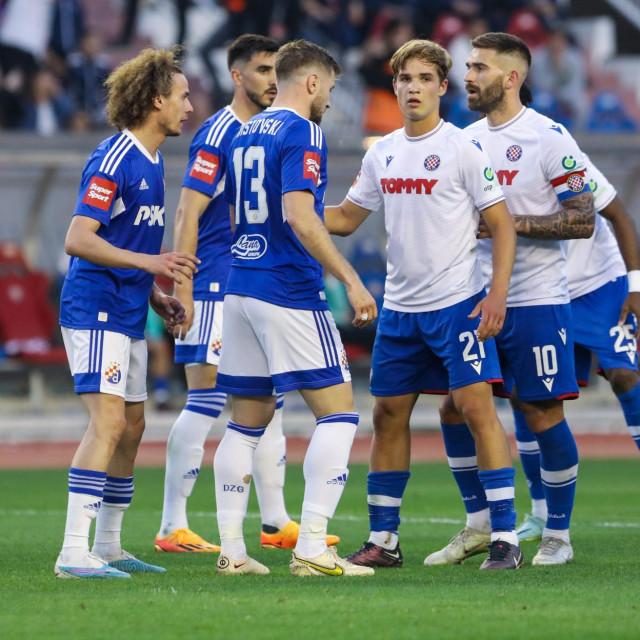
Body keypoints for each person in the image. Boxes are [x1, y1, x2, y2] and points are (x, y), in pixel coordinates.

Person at [325, 39, 522, 571]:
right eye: (403, 79)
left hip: (458, 304)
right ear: (394, 86)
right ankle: (384, 540)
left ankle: (504, 535)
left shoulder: (463, 148)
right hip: (400, 312)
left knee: (476, 409)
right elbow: (344, 218)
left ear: (441, 85)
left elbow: (502, 226)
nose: (412, 88)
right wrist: (289, 211)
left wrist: (496, 295)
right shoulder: (382, 151)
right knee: (388, 413)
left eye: (422, 78)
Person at [155, 34, 339, 554]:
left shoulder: (265, 129)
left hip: (250, 283)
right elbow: (188, 211)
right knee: (210, 399)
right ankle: (172, 523)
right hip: (216, 283)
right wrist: (184, 288)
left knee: (265, 403)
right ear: (238, 76)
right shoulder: (218, 132)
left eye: (274, 70)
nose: (269, 80)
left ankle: (276, 520)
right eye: (261, 71)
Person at [426, 32, 595, 568]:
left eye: (479, 67)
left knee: (540, 413)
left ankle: (558, 534)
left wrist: (505, 223)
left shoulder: (549, 137)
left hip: (535, 299)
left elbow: (583, 218)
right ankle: (479, 524)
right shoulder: (462, 139)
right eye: (468, 65)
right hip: (470, 299)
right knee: (454, 407)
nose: (467, 75)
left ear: (512, 77)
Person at [213, 39, 377, 577]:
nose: (329, 98)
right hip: (286, 288)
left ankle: (232, 552)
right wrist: (350, 279)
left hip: (238, 285)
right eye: (329, 87)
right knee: (339, 412)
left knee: (245, 422)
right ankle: (311, 547)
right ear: (310, 82)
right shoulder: (303, 130)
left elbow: (260, 209)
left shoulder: (242, 131)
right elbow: (300, 216)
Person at [55, 46, 199, 578]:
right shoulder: (115, 156)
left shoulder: (156, 159)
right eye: (182, 97)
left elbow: (122, 240)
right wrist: (153, 262)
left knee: (134, 426)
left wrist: (155, 292)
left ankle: (110, 545)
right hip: (94, 310)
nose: (189, 107)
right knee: (109, 423)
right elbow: (78, 238)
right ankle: (73, 553)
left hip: (129, 310)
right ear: (157, 99)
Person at [515, 154, 640, 541]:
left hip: (601, 286)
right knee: (528, 396)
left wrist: (636, 285)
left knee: (624, 376)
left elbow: (619, 214)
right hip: (544, 291)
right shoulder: (489, 160)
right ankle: (539, 513)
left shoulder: (564, 158)